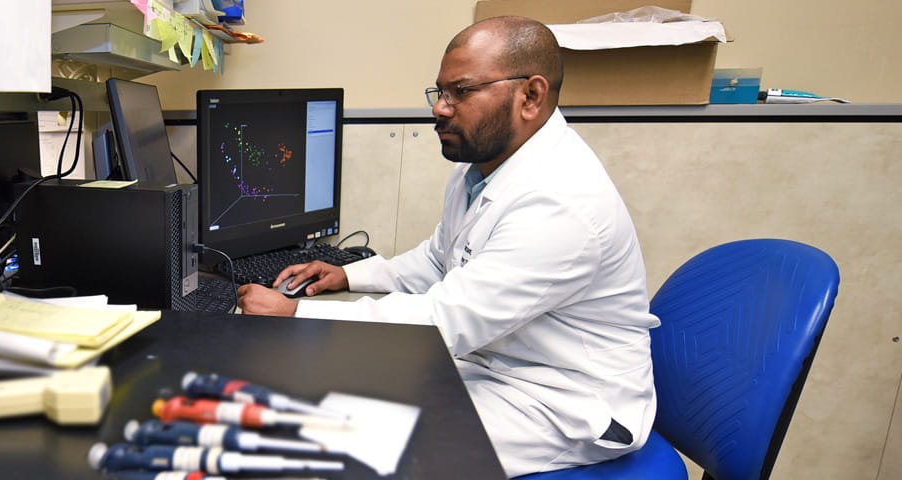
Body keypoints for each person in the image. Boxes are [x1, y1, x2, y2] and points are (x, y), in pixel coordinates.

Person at [237, 16, 660, 478]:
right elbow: (440, 257)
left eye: (462, 91)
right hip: (498, 366)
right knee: (330, 390)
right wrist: (350, 275)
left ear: (531, 96)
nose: (441, 108)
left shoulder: (562, 203)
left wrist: (297, 315)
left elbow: (442, 321)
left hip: (563, 405)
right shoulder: (483, 169)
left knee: (345, 442)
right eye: (440, 91)